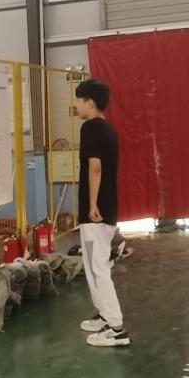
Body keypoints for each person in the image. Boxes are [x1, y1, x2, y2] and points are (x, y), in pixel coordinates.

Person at [75, 79, 130, 348]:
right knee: (93, 265)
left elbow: (95, 167)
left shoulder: (91, 127)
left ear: (90, 102)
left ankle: (116, 328)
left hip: (97, 211)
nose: (76, 106)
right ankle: (105, 316)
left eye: (79, 101)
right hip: (106, 208)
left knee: (98, 267)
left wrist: (92, 204)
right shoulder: (108, 128)